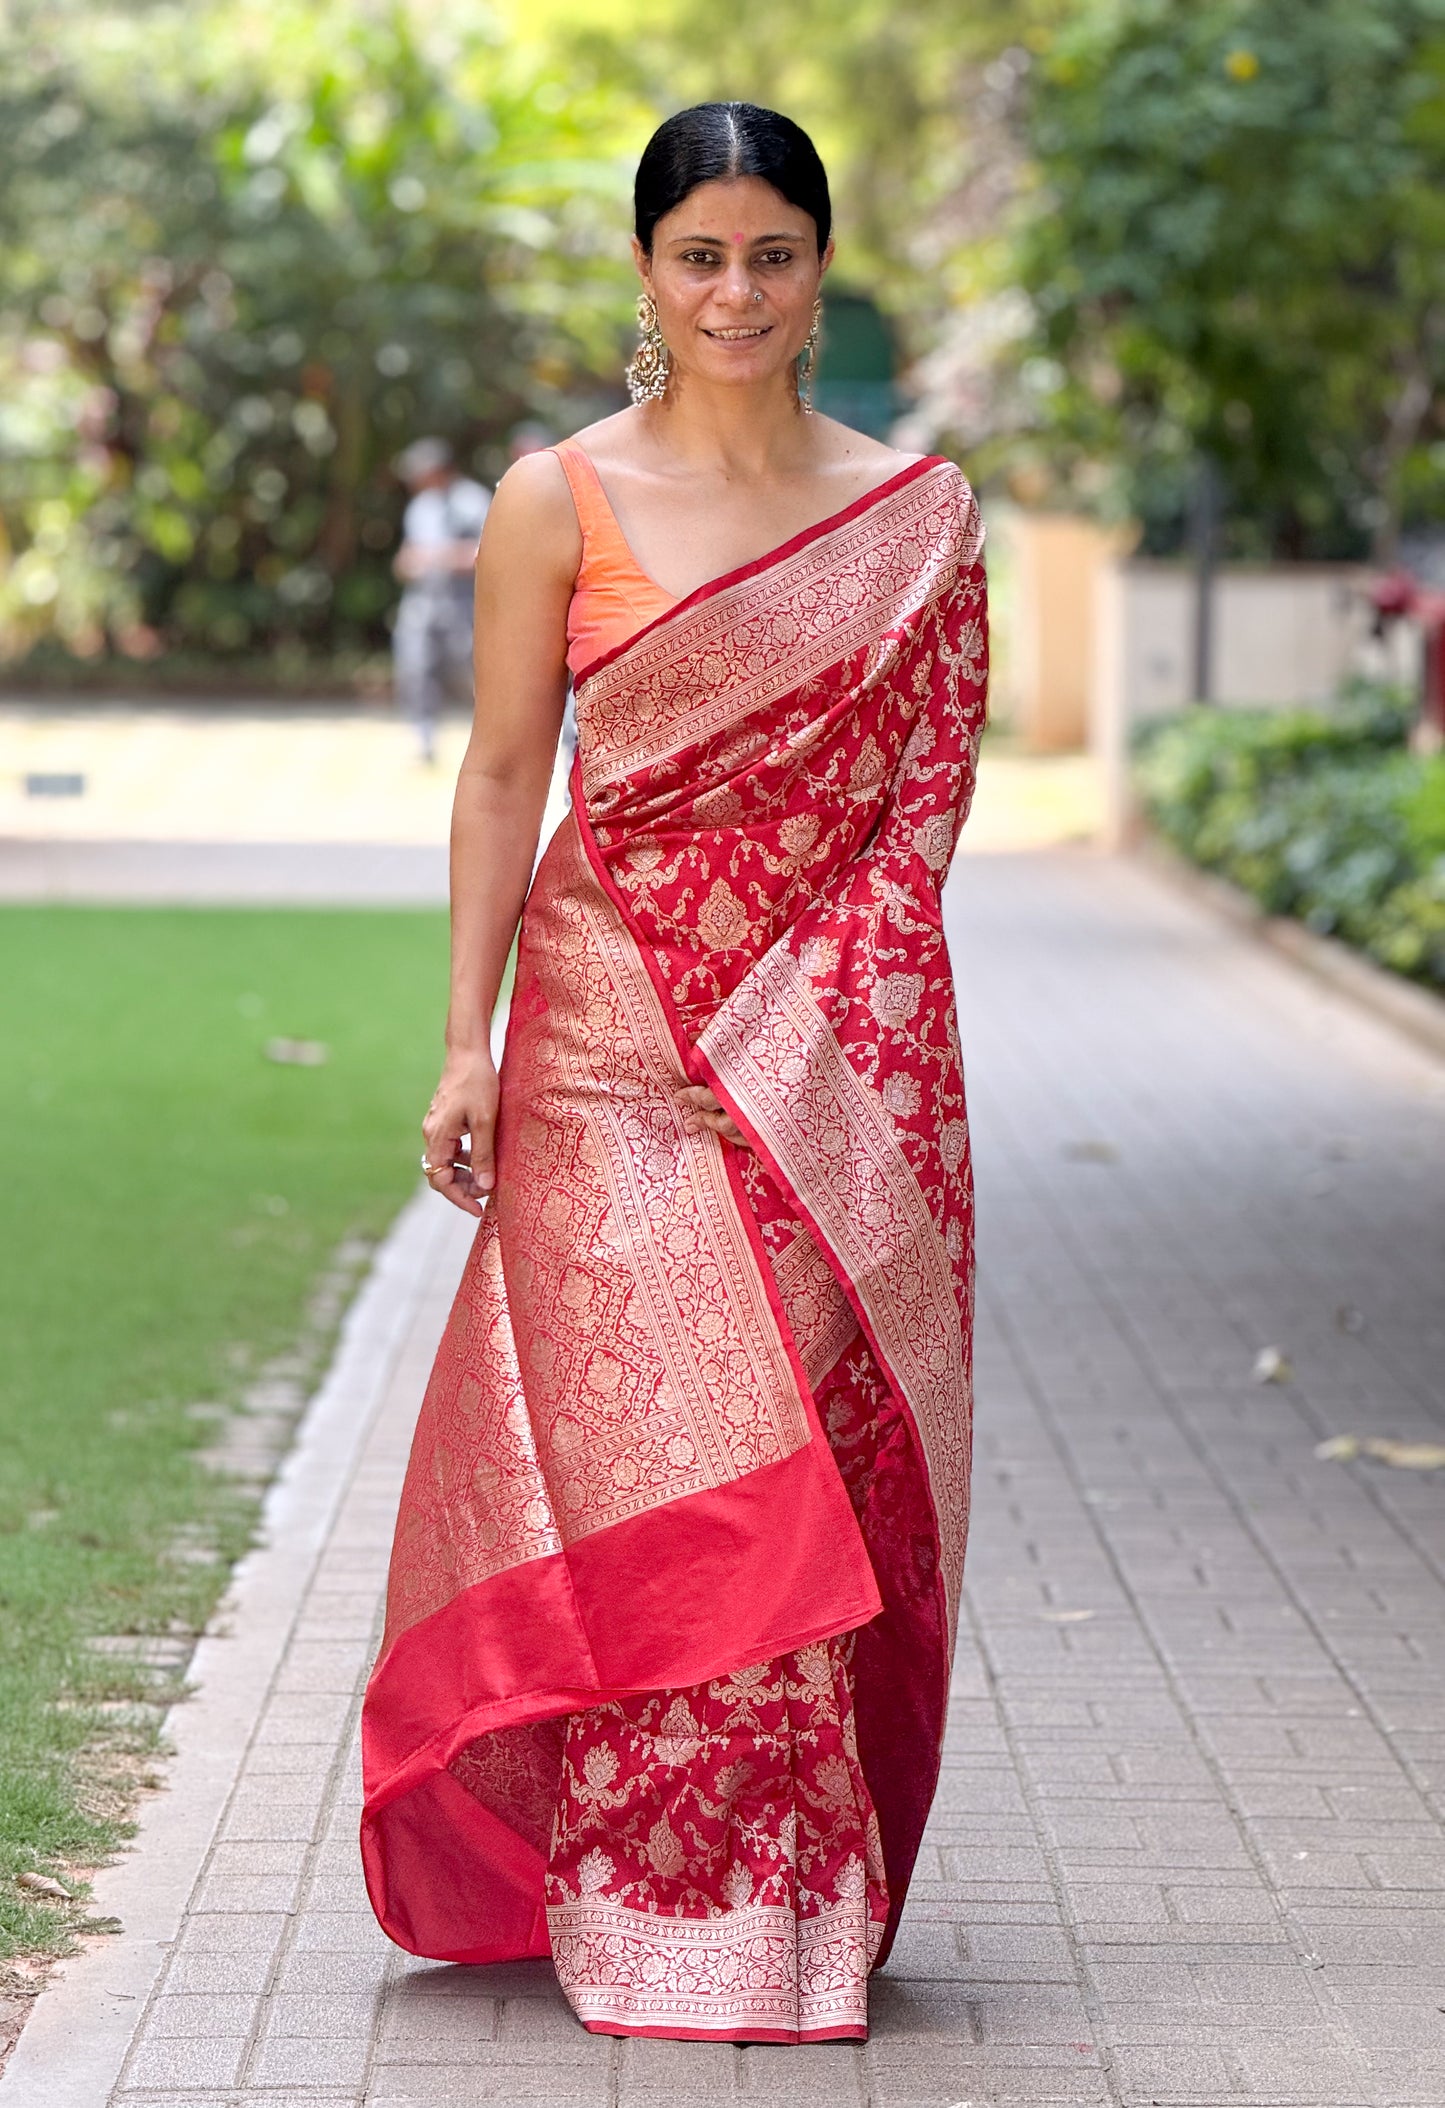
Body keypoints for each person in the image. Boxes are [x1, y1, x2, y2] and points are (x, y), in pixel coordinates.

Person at [361, 102, 988, 2043]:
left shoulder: (914, 513)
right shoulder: (561, 495)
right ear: (644, 270)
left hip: (823, 1067)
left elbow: (917, 822)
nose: (733, 292)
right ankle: (657, 1888)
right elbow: (495, 775)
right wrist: (460, 1038)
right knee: (670, 1465)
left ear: (819, 273)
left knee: (797, 1462)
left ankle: (788, 1890)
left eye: (770, 255)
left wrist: (802, 1031)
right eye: (697, 254)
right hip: (595, 1055)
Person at [392, 437, 492, 761]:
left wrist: (441, 557)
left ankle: (486, 741)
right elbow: (408, 553)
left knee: (471, 673)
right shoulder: (421, 507)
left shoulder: (474, 501)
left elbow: (488, 553)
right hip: (424, 602)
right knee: (416, 667)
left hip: (463, 604)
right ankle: (424, 739)